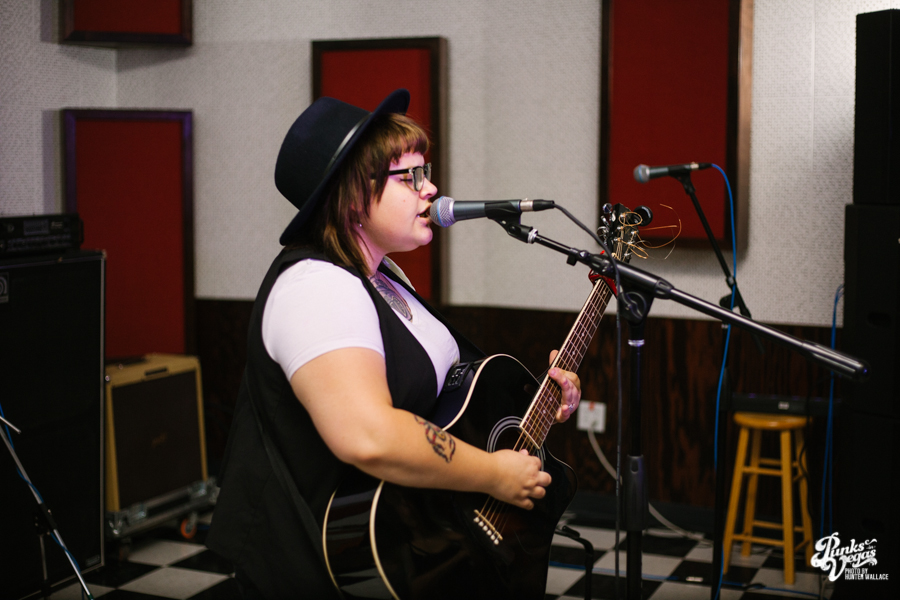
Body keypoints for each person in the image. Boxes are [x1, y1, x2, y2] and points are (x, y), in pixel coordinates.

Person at [206, 89, 582, 599]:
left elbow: (445, 404)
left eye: (427, 173)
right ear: (351, 195)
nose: (431, 190)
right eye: (411, 177)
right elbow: (370, 435)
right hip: (320, 569)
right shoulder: (316, 286)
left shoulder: (383, 277)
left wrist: (533, 403)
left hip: (407, 540)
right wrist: (494, 474)